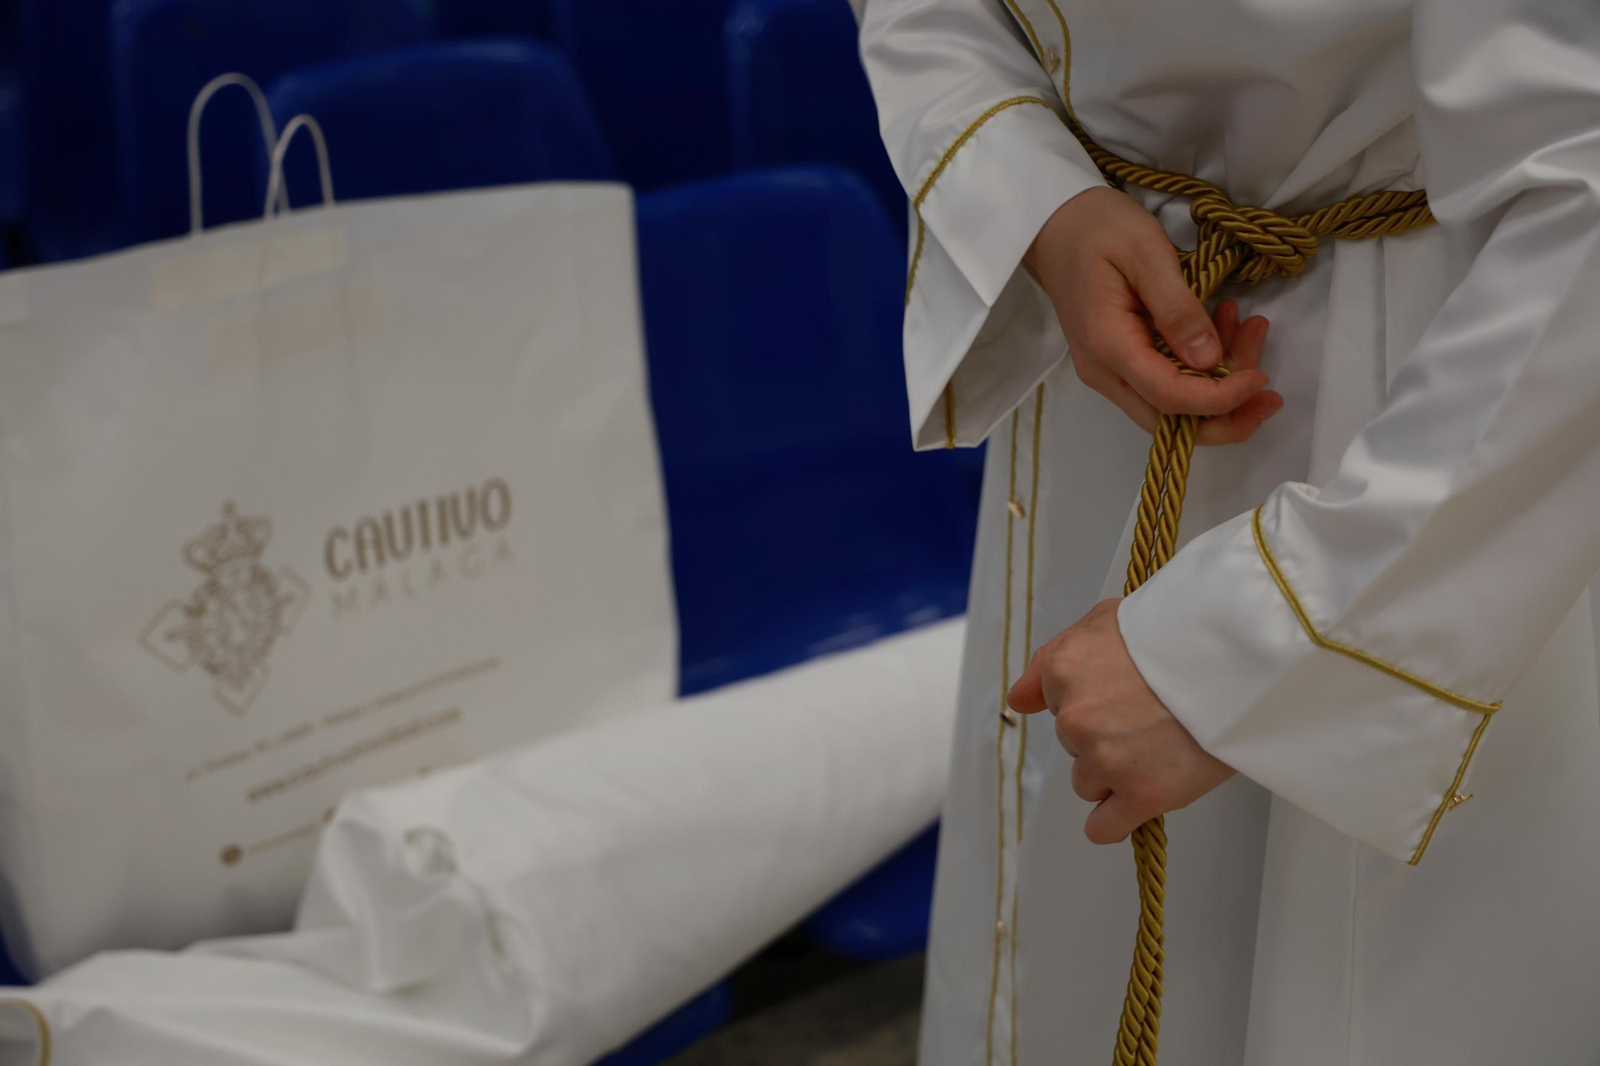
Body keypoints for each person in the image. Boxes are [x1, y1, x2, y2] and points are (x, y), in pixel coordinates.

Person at [859, 1, 1600, 1063]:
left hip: (1454, 437)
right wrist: (1036, 197)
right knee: (1071, 961)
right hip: (1107, 349)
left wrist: (1266, 641)